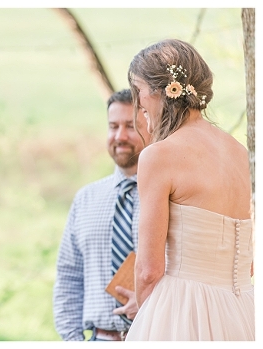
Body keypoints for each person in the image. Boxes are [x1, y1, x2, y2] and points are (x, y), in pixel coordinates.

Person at [124, 39, 254, 341]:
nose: (139, 102)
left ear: (159, 91)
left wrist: (149, 323)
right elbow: (246, 263)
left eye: (140, 90)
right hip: (243, 309)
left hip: (183, 310)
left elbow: (149, 270)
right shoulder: (239, 152)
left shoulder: (159, 155)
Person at [53, 89, 151, 341]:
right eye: (113, 126)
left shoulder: (171, 197)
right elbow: (68, 276)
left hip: (157, 335)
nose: (120, 136)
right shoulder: (86, 199)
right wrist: (73, 341)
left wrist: (153, 304)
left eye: (130, 126)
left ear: (150, 127)